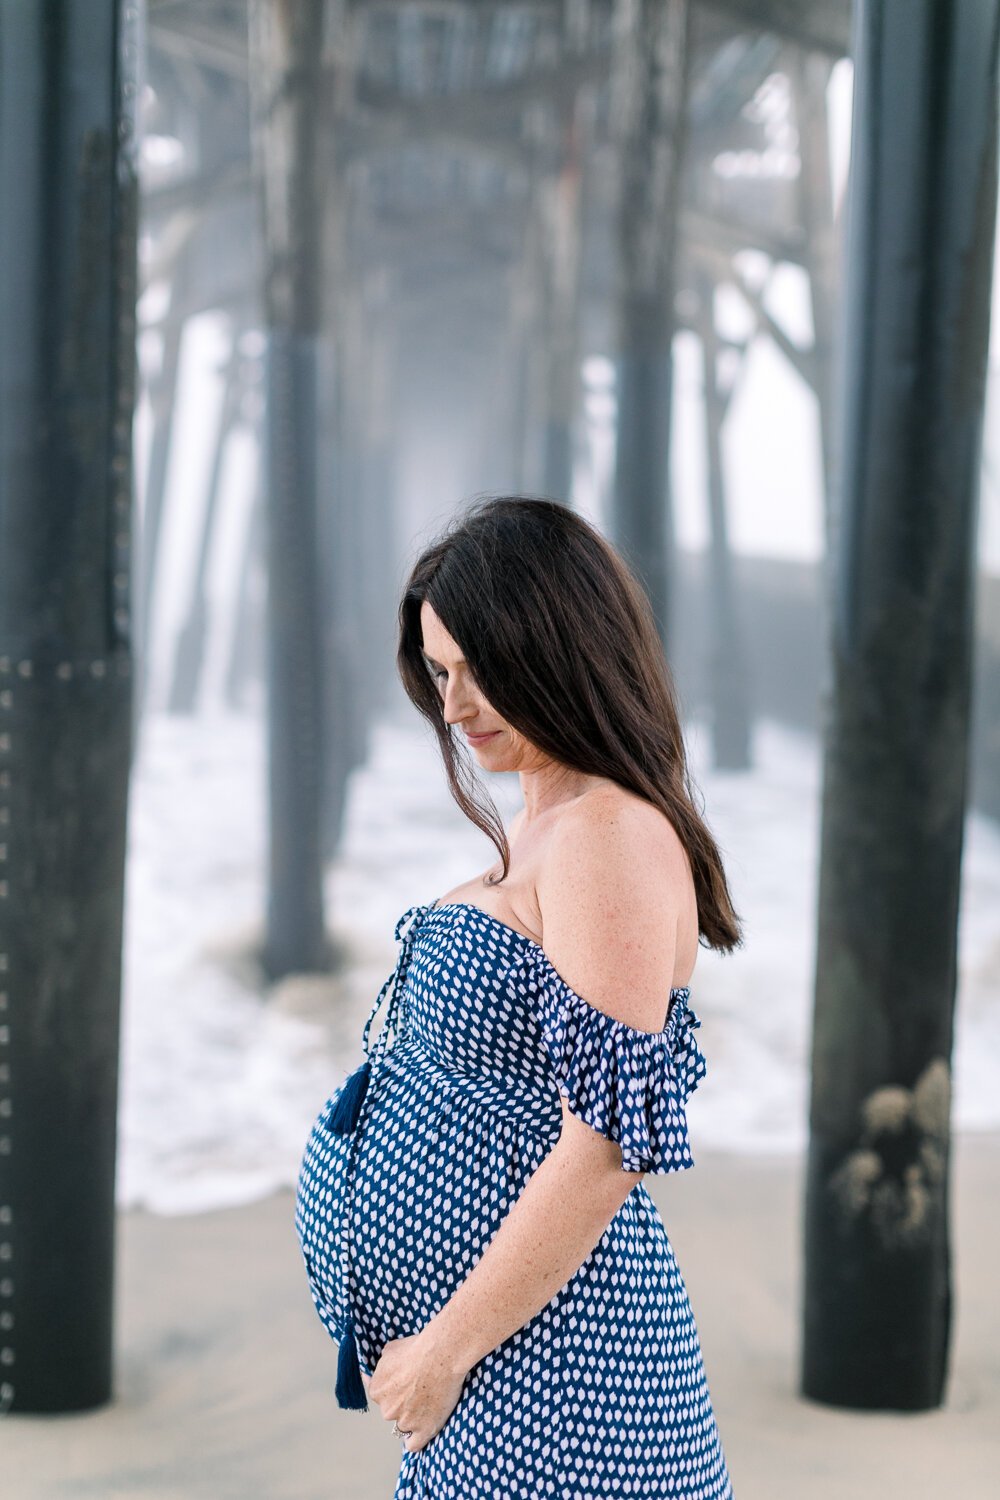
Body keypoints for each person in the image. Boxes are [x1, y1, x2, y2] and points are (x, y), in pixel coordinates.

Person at [295, 494, 743, 1498]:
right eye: (440, 674)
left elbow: (609, 1141)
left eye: (477, 668)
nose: (453, 708)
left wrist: (443, 1350)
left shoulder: (604, 834)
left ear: (557, 642)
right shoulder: (555, 829)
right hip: (516, 1362)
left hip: (559, 1374)